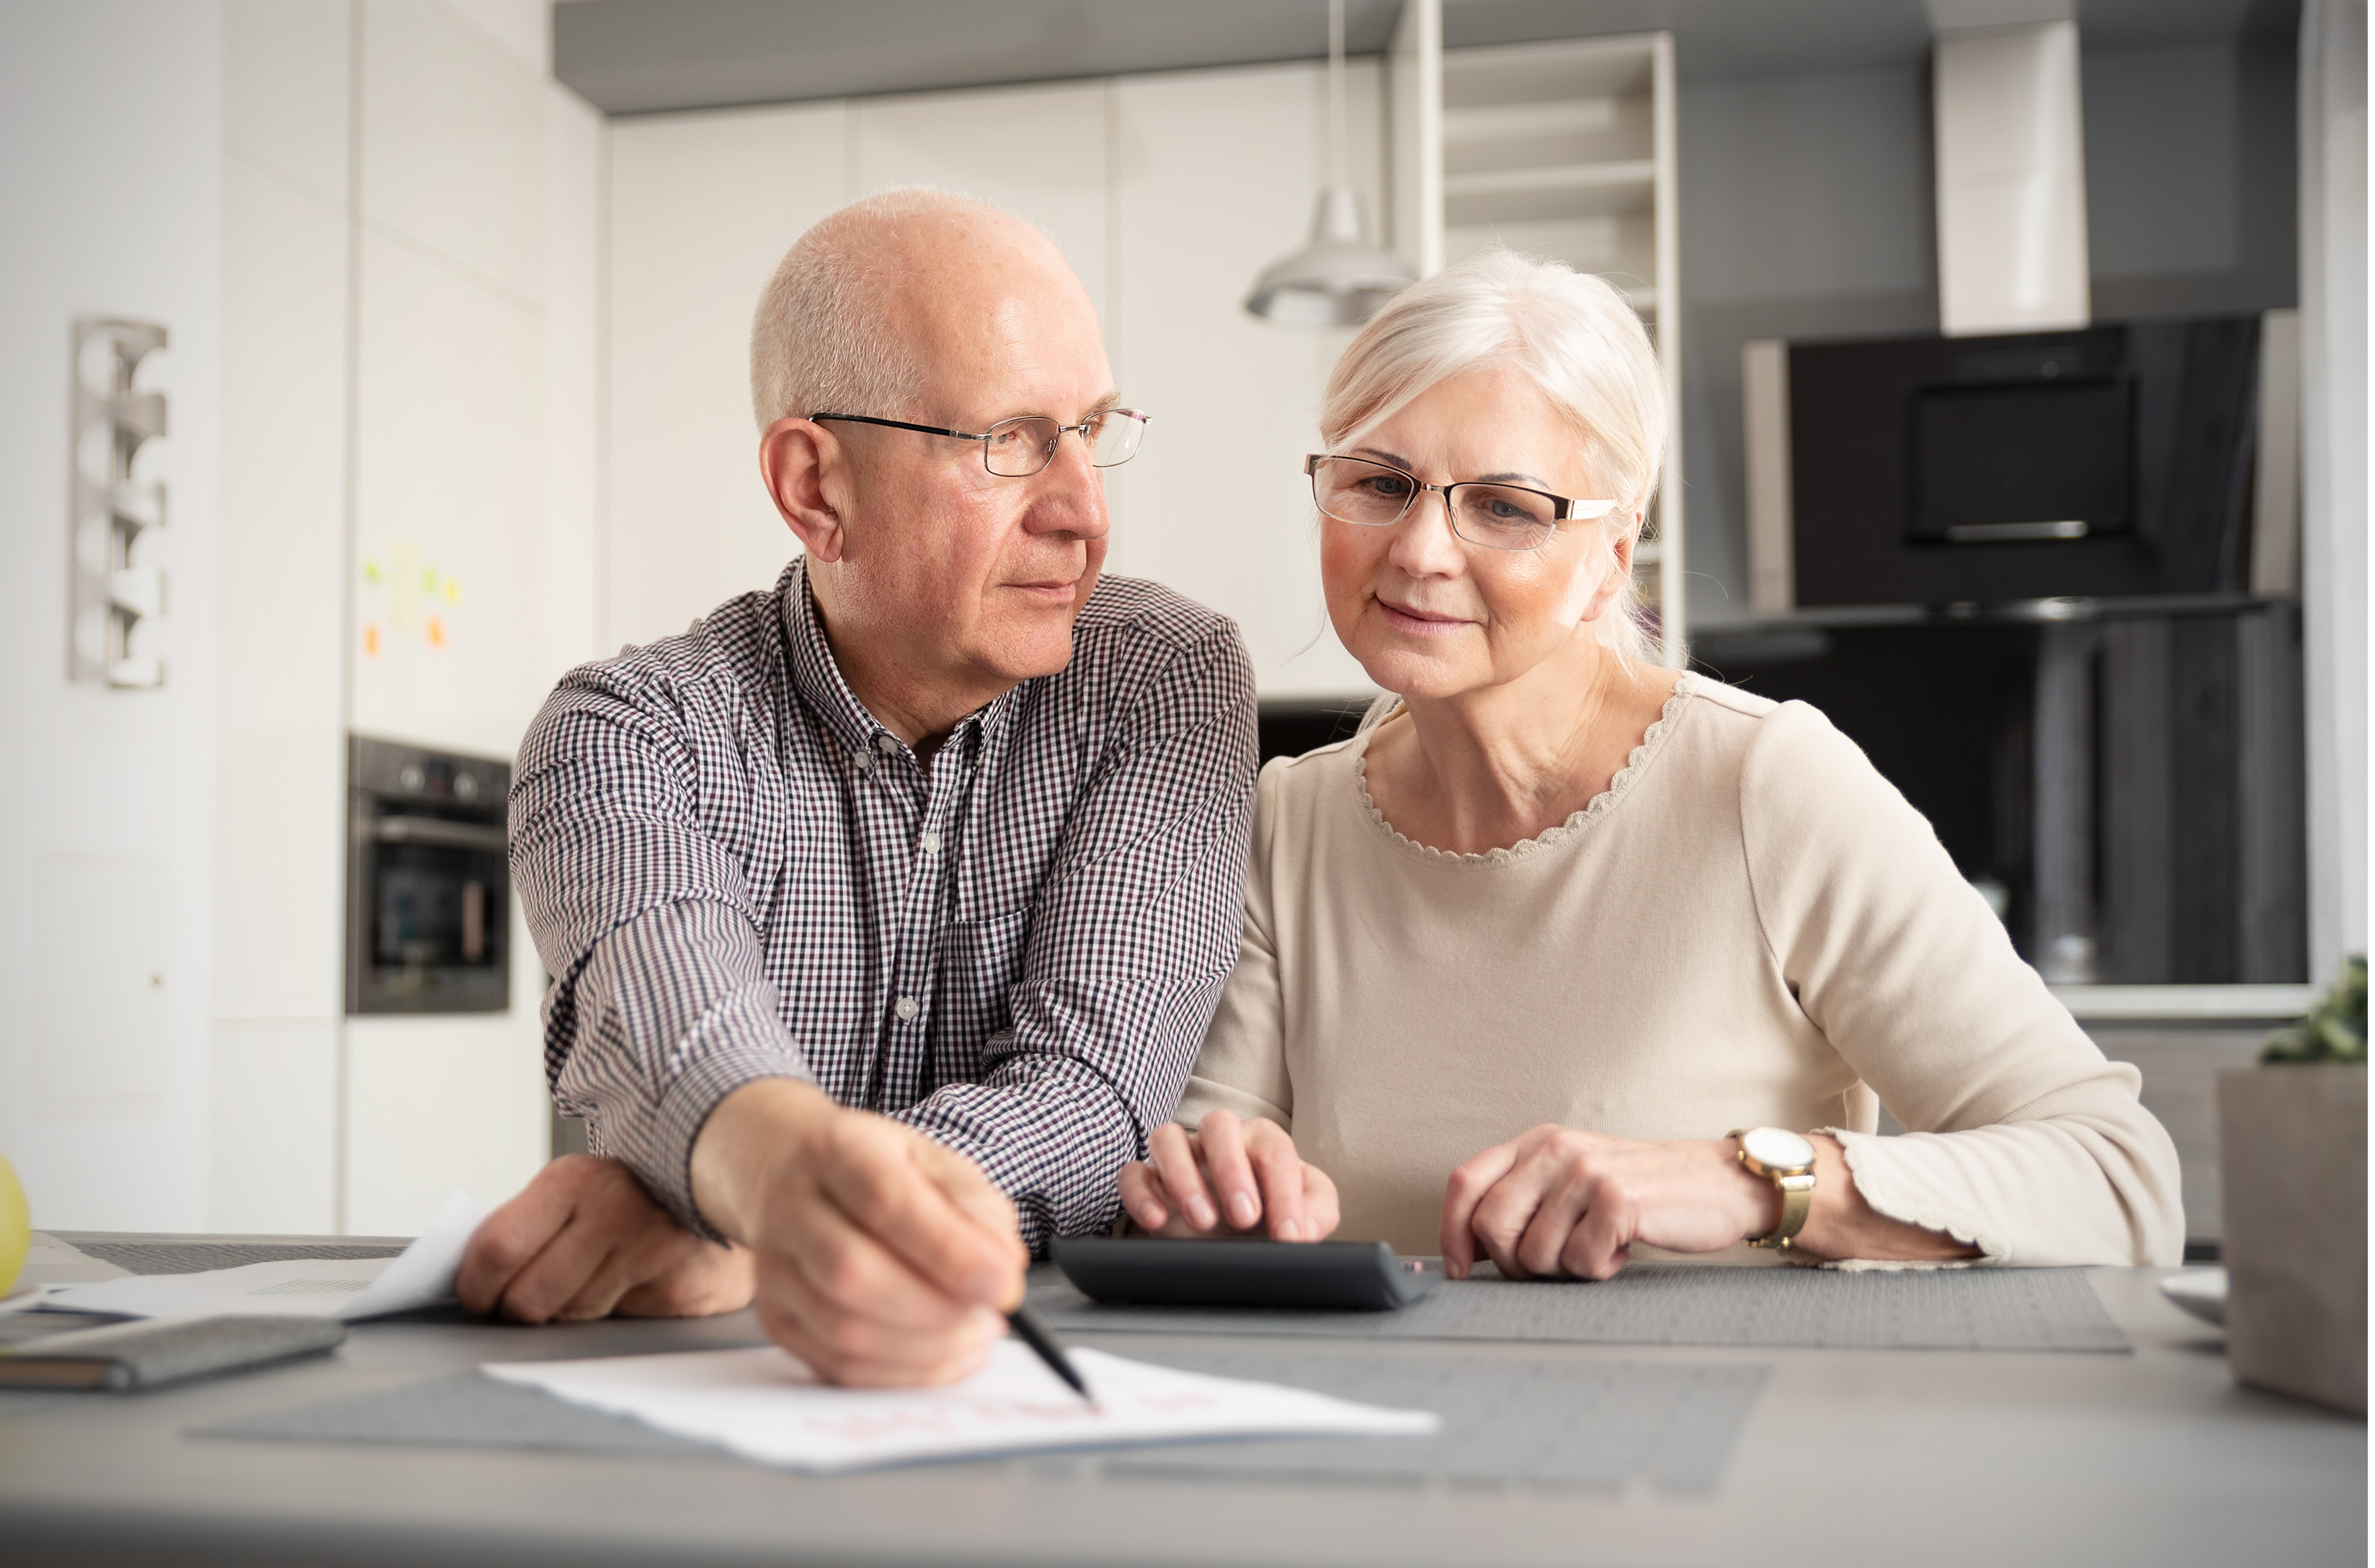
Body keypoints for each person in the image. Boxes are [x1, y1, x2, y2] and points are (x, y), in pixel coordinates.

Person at [1118, 248, 2183, 1278]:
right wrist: (1207, 1193)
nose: (1421, 550)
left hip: (1719, 1441)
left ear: (1611, 558)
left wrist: (1751, 1184)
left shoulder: (1768, 787)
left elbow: (2120, 1180)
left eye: (1505, 507)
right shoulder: (1285, 823)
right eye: (1381, 482)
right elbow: (1215, 1173)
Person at [456, 192, 1257, 1384]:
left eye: (1092, 430)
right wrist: (765, 1178)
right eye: (1013, 441)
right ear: (815, 488)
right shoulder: (627, 735)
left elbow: (1095, 1096)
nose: (1087, 513)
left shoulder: (1162, 680)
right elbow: (677, 1021)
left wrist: (739, 1214)